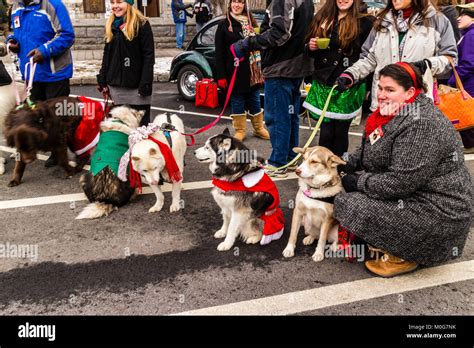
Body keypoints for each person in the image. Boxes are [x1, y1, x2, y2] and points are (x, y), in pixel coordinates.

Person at [334, 62, 472, 278]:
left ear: (410, 92)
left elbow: (399, 183)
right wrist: (338, 163)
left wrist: (357, 182)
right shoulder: (392, 112)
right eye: (380, 88)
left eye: (390, 90)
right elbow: (369, 149)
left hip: (439, 212)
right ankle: (386, 240)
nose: (381, 95)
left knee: (349, 203)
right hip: (417, 198)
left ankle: (404, 255)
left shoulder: (422, 123)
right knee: (349, 196)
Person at [231, 0, 314, 177]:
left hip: (280, 67)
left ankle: (278, 162)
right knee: (290, 116)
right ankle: (290, 158)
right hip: (296, 65)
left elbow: (280, 33)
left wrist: (248, 43)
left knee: (277, 117)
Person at [336, 0, 458, 112]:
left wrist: (427, 64)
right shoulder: (382, 20)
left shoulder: (438, 20)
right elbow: (369, 58)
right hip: (383, 103)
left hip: (416, 107)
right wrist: (351, 74)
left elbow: (450, 58)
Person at [6, 0, 75, 167]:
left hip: (55, 74)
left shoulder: (53, 5)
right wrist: (12, 41)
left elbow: (67, 34)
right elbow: (17, 32)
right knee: (36, 117)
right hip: (31, 74)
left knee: (58, 119)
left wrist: (44, 50)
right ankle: (43, 147)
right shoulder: (17, 7)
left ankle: (59, 153)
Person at [303, 0, 374, 157]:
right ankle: (323, 168)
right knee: (326, 132)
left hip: (349, 84)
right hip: (324, 82)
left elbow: (370, 57)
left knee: (341, 131)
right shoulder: (322, 17)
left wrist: (369, 87)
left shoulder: (366, 22)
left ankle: (339, 167)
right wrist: (310, 47)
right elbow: (308, 49)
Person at [214, 0, 269, 141]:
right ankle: (240, 130)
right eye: (234, 2)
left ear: (244, 5)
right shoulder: (223, 25)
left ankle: (258, 128)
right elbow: (219, 53)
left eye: (240, 2)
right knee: (237, 101)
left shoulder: (252, 22)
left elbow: (260, 44)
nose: (237, 5)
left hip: (253, 71)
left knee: (255, 99)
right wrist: (220, 76)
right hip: (234, 71)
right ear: (230, 4)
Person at [97, 0, 155, 126]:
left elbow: (148, 56)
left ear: (128, 3)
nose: (115, 6)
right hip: (115, 88)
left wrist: (145, 82)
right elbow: (107, 53)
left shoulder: (142, 24)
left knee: (140, 131)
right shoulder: (111, 24)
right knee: (119, 131)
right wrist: (103, 77)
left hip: (137, 89)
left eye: (119, 2)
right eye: (112, 2)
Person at [449, 3, 474, 154]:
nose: (458, 18)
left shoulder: (471, 35)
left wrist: (453, 80)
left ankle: (471, 145)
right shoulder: (468, 33)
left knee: (466, 112)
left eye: (463, 15)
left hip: (469, 82)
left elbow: (469, 62)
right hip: (469, 80)